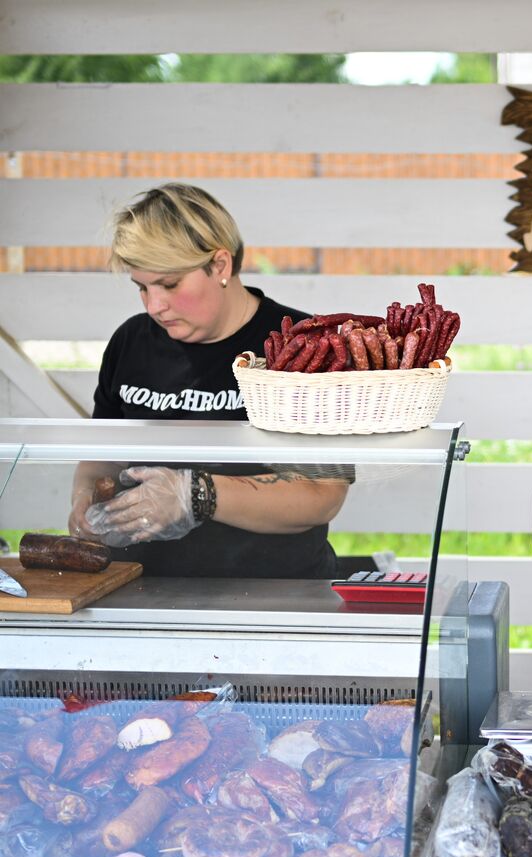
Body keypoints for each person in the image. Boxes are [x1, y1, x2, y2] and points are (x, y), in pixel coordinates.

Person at [66, 183, 349, 578]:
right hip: (144, 589)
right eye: (142, 288)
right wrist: (86, 495)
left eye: (168, 284)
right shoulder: (130, 342)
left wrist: (196, 496)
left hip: (275, 593)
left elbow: (321, 495)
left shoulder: (301, 345)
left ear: (220, 265)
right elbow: (104, 455)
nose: (154, 306)